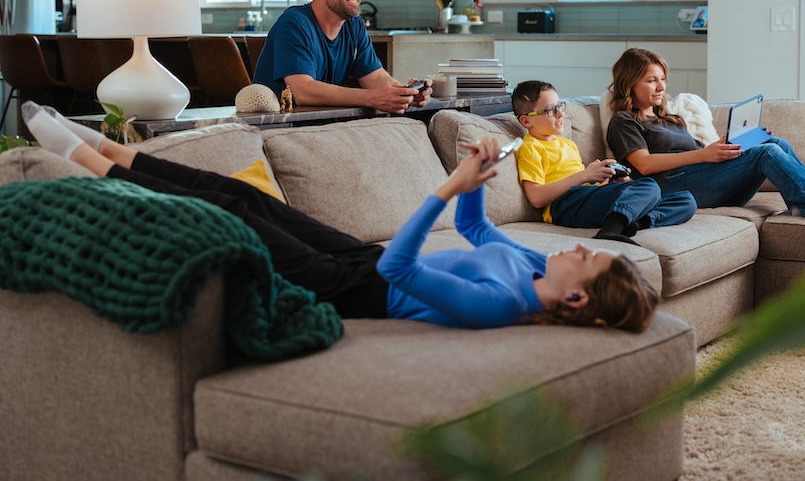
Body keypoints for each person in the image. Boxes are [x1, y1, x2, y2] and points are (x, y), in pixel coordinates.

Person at [21, 101, 659, 333]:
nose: (576, 249)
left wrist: (442, 191)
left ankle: (80, 158)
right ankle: (109, 145)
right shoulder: (533, 264)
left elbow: (396, 264)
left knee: (226, 213)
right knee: (251, 197)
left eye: (588, 258)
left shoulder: (499, 305)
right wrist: (473, 180)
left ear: (575, 301)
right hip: (361, 264)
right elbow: (475, 231)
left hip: (352, 288)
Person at [604, 49, 805, 219]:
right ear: (630, 84)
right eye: (652, 80)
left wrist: (730, 144)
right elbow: (644, 164)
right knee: (766, 153)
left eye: (663, 79)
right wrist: (703, 154)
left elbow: (701, 157)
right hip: (670, 190)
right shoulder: (624, 121)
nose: (661, 86)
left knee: (772, 142)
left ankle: (802, 203)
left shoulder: (671, 119)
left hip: (701, 182)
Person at [511, 80, 696, 246]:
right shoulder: (530, 147)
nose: (560, 114)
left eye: (560, 106)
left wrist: (611, 183)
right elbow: (536, 198)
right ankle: (610, 231)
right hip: (564, 205)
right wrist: (584, 175)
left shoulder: (566, 143)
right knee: (649, 187)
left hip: (586, 196)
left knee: (686, 200)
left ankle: (630, 223)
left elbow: (586, 185)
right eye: (550, 110)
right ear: (526, 120)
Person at [252, 0, 431, 114]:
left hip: (322, 126)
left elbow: (376, 77)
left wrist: (404, 92)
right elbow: (303, 91)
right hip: (282, 128)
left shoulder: (354, 25)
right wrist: (371, 97)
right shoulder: (294, 24)